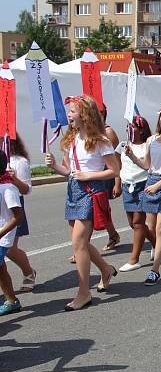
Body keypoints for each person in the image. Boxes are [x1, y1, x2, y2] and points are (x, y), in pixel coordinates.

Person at [45, 95, 118, 311]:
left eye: (73, 111)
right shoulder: (71, 139)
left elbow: (115, 170)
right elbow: (70, 172)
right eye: (69, 111)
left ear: (85, 114)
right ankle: (105, 269)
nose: (69, 115)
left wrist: (88, 176)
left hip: (91, 192)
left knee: (78, 243)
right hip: (74, 191)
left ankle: (84, 292)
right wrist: (54, 166)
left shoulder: (101, 141)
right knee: (81, 244)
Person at [126, 105, 161, 286]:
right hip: (152, 182)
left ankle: (155, 270)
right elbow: (146, 164)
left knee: (160, 229)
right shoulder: (151, 140)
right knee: (150, 228)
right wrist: (132, 157)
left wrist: (157, 186)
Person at [118, 115, 156, 272]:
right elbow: (117, 166)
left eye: (132, 127)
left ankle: (134, 260)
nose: (128, 129)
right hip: (127, 186)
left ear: (141, 129)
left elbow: (148, 165)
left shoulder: (148, 145)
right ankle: (159, 244)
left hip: (142, 186)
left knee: (138, 223)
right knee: (132, 224)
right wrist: (117, 184)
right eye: (127, 127)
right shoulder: (122, 145)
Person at [6, 137, 36, 293]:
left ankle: (28, 272)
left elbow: (26, 189)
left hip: (13, 205)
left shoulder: (18, 161)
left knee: (9, 248)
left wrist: (13, 178)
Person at [0, 152, 24, 316]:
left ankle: (11, 300)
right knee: (1, 270)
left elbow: (18, 216)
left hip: (3, 237)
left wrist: (1, 232)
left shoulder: (8, 188)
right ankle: (11, 300)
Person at [98, 105, 122, 253]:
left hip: (106, 174)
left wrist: (118, 183)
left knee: (100, 207)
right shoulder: (88, 131)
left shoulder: (108, 132)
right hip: (93, 174)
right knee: (99, 208)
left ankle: (81, 246)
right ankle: (113, 234)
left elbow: (118, 159)